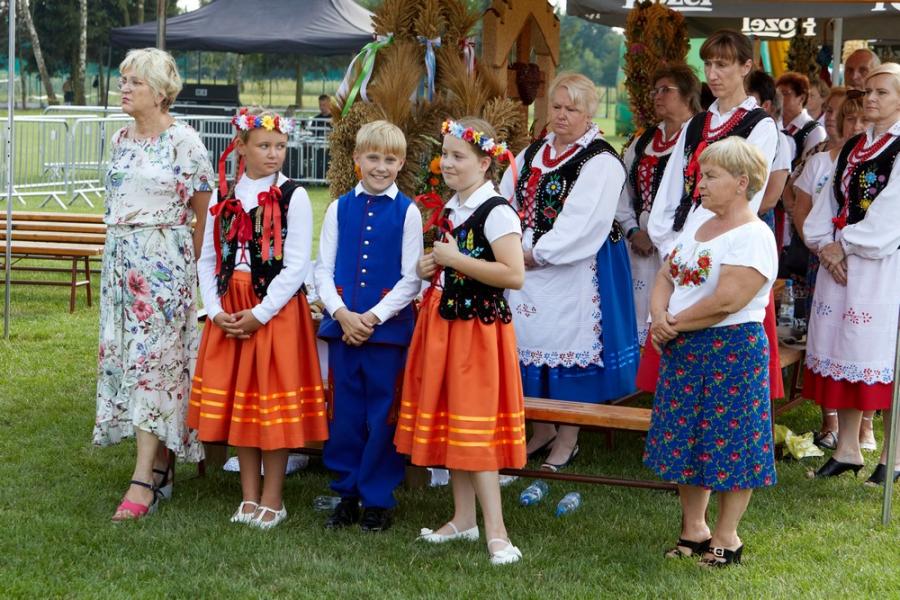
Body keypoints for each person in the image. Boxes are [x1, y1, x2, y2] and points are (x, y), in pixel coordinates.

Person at [395, 117, 526, 566]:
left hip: (476, 332)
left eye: (457, 156)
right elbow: (451, 260)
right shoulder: (454, 207)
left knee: (475, 427)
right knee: (455, 420)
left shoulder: (496, 211)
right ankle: (463, 518)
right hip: (444, 324)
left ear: (485, 162)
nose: (446, 163)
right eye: (445, 154)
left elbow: (513, 274)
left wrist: (455, 260)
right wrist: (429, 265)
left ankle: (498, 533)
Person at [189, 107, 328, 528]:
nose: (273, 154)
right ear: (241, 147)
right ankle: (248, 496)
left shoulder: (292, 195)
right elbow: (208, 257)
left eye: (280, 146)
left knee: (271, 405)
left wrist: (261, 313)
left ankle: (273, 497)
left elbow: (297, 263)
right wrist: (215, 310)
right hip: (231, 306)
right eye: (264, 145)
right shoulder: (224, 196)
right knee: (242, 405)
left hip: (274, 312)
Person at [644, 136, 778, 567]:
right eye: (701, 175)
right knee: (686, 438)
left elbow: (727, 301)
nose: (699, 184)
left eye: (710, 176)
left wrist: (672, 324)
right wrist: (658, 316)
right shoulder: (699, 221)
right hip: (684, 344)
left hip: (731, 349)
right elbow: (666, 273)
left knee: (732, 440)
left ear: (741, 183)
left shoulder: (754, 235)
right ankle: (694, 529)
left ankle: (727, 538)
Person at [93, 48, 213, 521]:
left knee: (154, 367)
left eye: (134, 82)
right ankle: (161, 463)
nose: (124, 88)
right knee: (131, 362)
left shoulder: (185, 141)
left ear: (161, 92)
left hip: (163, 270)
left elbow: (203, 217)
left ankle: (142, 480)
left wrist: (186, 272)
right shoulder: (120, 138)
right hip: (120, 267)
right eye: (123, 80)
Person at [499, 72, 639, 470]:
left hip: (579, 264)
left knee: (570, 344)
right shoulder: (533, 152)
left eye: (572, 109)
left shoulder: (601, 160)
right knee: (529, 338)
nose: (561, 115)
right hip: (525, 261)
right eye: (557, 107)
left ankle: (569, 438)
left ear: (589, 112)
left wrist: (535, 253)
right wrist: (508, 242)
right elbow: (506, 198)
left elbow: (583, 223)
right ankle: (542, 429)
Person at [640, 30, 782, 401]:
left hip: (726, 246)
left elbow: (747, 196)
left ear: (746, 67)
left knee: (715, 341)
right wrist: (671, 243)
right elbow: (670, 189)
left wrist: (703, 243)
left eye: (723, 64)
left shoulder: (760, 125)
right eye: (708, 64)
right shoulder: (697, 123)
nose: (713, 74)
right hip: (682, 242)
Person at [315, 120, 423, 532]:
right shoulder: (339, 208)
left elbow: (411, 279)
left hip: (387, 335)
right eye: (373, 157)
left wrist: (373, 317)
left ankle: (377, 499)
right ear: (357, 159)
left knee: (382, 416)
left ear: (401, 163)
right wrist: (342, 313)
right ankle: (346, 493)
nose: (381, 167)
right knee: (344, 413)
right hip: (342, 329)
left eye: (390, 159)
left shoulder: (408, 212)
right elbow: (323, 270)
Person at [803, 63, 900, 484]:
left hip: (882, 268)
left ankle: (894, 457)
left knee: (884, 357)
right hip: (840, 265)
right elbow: (828, 201)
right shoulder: (855, 145)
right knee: (842, 350)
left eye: (882, 92)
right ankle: (847, 448)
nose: (871, 99)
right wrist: (825, 245)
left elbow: (892, 214)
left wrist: (842, 245)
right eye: (868, 92)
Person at [790, 90, 867, 450]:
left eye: (862, 118)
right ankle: (830, 421)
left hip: (863, 263)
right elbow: (800, 207)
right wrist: (822, 250)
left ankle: (864, 425)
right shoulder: (821, 161)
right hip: (821, 257)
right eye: (849, 117)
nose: (855, 125)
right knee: (824, 337)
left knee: (861, 340)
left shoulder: (881, 163)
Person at [617, 63, 701, 346]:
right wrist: (632, 230)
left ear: (687, 94)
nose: (657, 96)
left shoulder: (699, 138)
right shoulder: (643, 140)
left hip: (680, 241)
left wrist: (666, 236)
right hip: (639, 243)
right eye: (655, 91)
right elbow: (622, 190)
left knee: (673, 305)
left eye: (666, 90)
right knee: (638, 309)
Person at [776, 72, 827, 166]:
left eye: (785, 93)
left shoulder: (815, 131)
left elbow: (807, 166)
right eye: (777, 94)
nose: (779, 98)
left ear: (801, 98)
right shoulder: (772, 122)